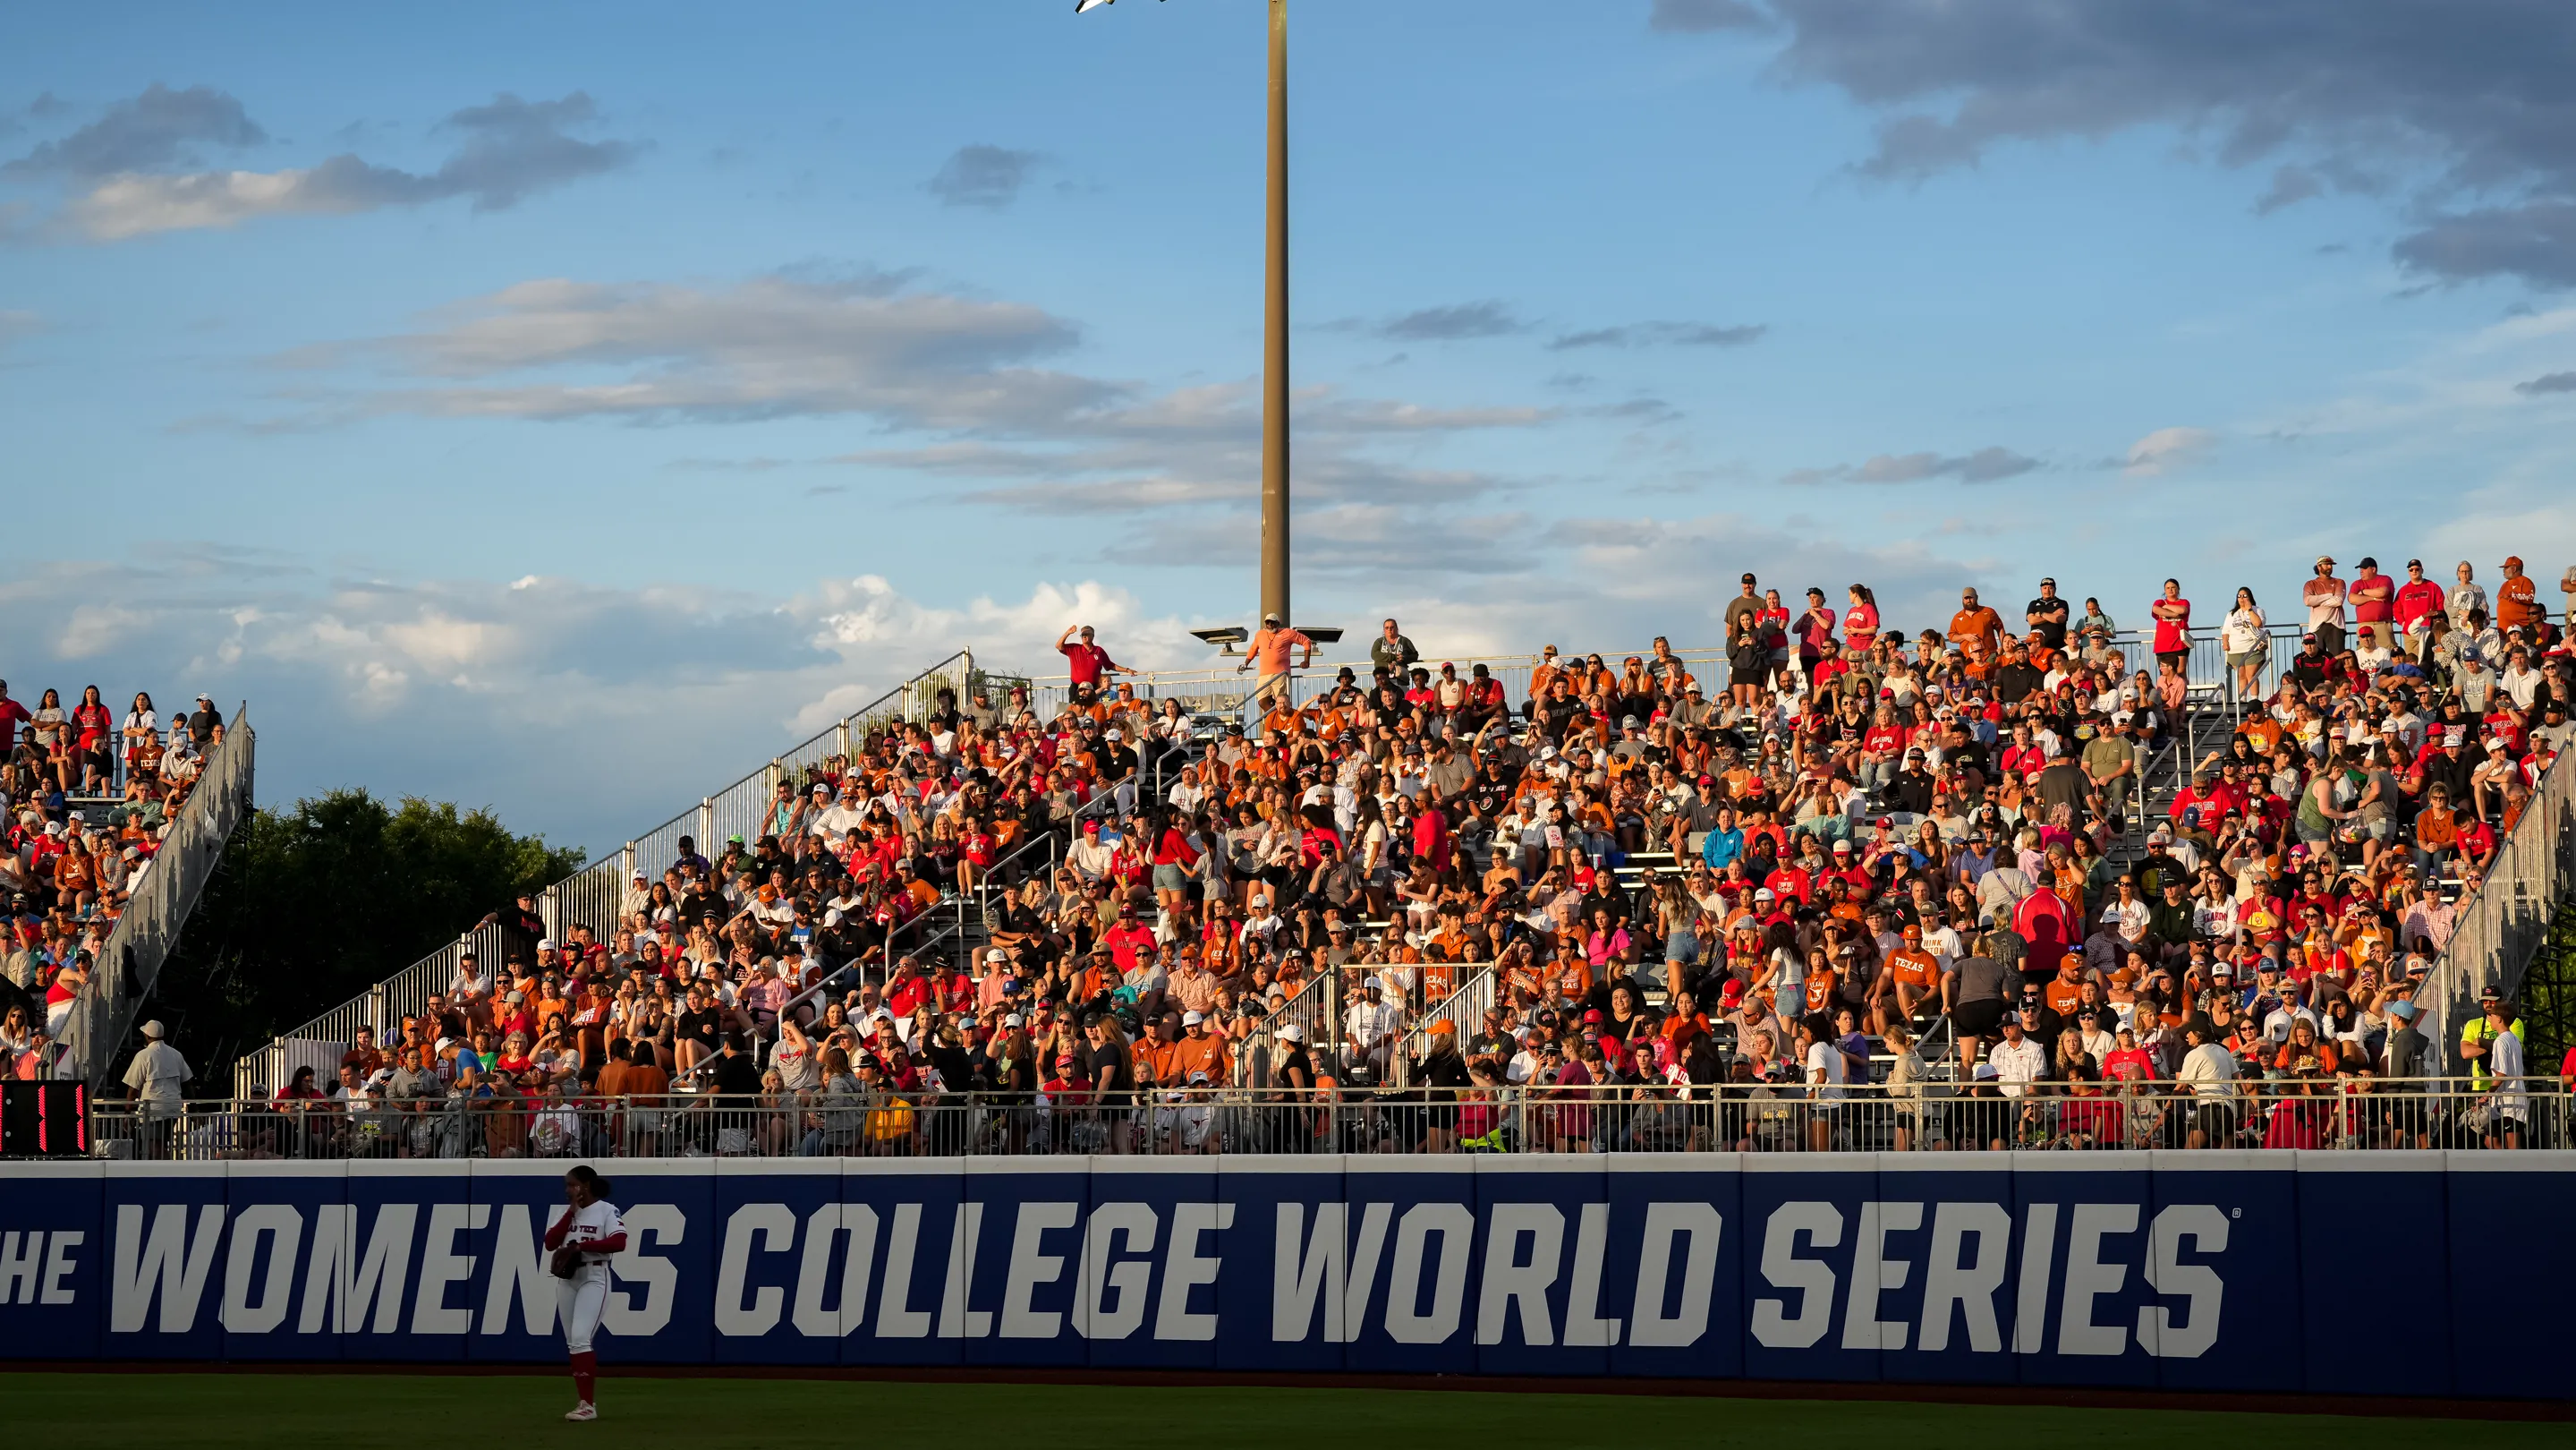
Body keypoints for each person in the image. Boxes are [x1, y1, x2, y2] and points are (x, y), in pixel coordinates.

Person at [544, 1164, 628, 1421]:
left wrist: (580, 1247)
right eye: (567, 1185)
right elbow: (550, 1243)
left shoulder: (606, 1210)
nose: (568, 1189)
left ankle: (587, 1406)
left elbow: (619, 1241)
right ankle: (584, 1402)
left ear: (586, 1185)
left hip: (594, 1276)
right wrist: (571, 1214)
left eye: (573, 1184)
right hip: (568, 1280)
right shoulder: (563, 1212)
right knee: (573, 1342)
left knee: (581, 1338)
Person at [123, 1019, 191, 1159]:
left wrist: (127, 1112)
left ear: (147, 1036)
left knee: (154, 1147)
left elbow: (133, 1088)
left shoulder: (143, 1055)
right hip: (173, 1108)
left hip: (153, 1110)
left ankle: (166, 1174)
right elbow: (188, 1083)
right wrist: (195, 1109)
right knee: (159, 1144)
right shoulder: (176, 1054)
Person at [1237, 611, 1316, 704]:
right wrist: (1245, 664)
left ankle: (1280, 717)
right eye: (1268, 622)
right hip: (1264, 674)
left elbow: (1306, 641)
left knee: (1282, 702)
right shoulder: (1260, 634)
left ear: (1278, 623)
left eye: (1273, 622)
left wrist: (1306, 661)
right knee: (1262, 701)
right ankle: (1275, 717)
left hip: (1280, 674)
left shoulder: (1288, 632)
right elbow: (1253, 650)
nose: (1270, 625)